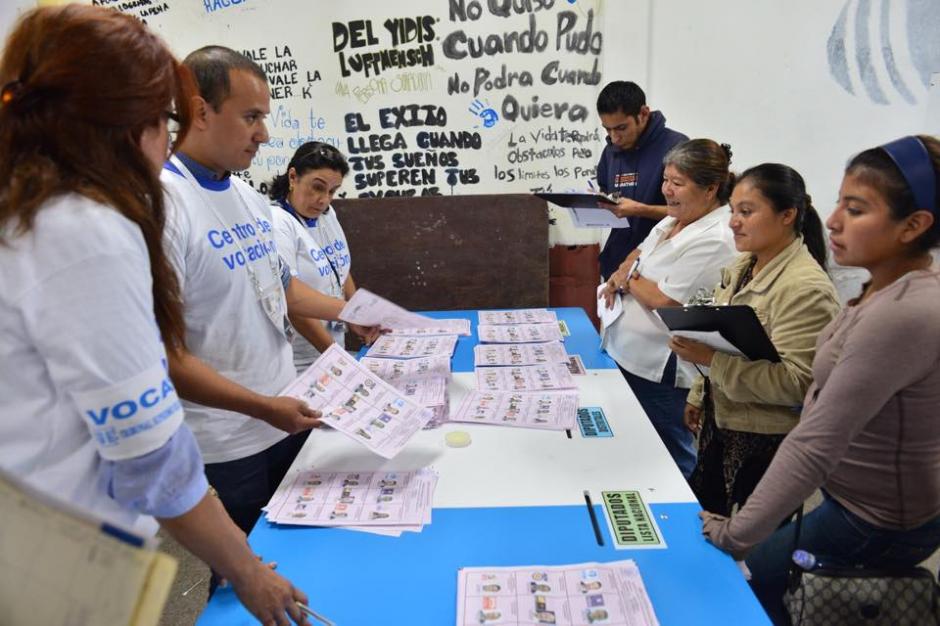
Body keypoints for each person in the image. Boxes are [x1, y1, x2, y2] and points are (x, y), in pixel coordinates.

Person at [0, 6, 310, 625]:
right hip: (65, 551)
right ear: (126, 123)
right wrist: (248, 570)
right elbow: (150, 452)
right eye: (165, 120)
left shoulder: (29, 207)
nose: (167, 141)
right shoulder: (84, 229)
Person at [701, 135, 940, 625]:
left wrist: (736, 534)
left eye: (856, 209)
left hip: (877, 519)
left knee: (746, 580)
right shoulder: (881, 290)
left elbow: (815, 441)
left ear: (913, 225)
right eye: (839, 203)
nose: (832, 221)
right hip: (851, 498)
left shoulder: (902, 313)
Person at [160, 46, 378, 560]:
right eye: (251, 117)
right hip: (229, 442)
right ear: (200, 111)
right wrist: (263, 408)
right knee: (247, 569)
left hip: (287, 412)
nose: (263, 134)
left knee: (306, 555)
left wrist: (356, 312)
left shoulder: (247, 197)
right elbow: (164, 356)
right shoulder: (163, 206)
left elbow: (282, 288)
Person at [670, 164, 840, 516]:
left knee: (752, 537)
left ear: (787, 215)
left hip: (765, 441)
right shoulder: (743, 267)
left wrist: (710, 361)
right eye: (733, 211)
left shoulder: (805, 288)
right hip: (722, 422)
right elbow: (720, 336)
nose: (734, 222)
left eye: (746, 212)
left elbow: (798, 383)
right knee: (707, 520)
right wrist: (699, 393)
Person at [600, 139, 737, 478]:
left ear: (710, 189)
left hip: (661, 365)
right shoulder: (673, 220)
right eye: (665, 180)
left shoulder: (716, 237)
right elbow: (635, 255)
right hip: (627, 351)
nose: (667, 190)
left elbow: (664, 301)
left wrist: (627, 278)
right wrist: (628, 274)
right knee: (634, 445)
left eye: (678, 183)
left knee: (669, 455)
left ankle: (682, 506)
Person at [269, 141, 357, 372]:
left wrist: (356, 313)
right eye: (317, 187)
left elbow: (339, 268)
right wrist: (337, 357)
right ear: (293, 177)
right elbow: (292, 302)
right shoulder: (277, 222)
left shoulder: (326, 214)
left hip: (334, 349)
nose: (324, 200)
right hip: (302, 360)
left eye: (332, 191)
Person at [595, 81, 688, 280]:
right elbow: (607, 195)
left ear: (643, 114)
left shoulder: (677, 147)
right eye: (607, 130)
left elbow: (692, 213)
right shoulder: (610, 152)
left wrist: (640, 209)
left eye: (621, 128)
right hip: (615, 264)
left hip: (659, 268)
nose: (614, 138)